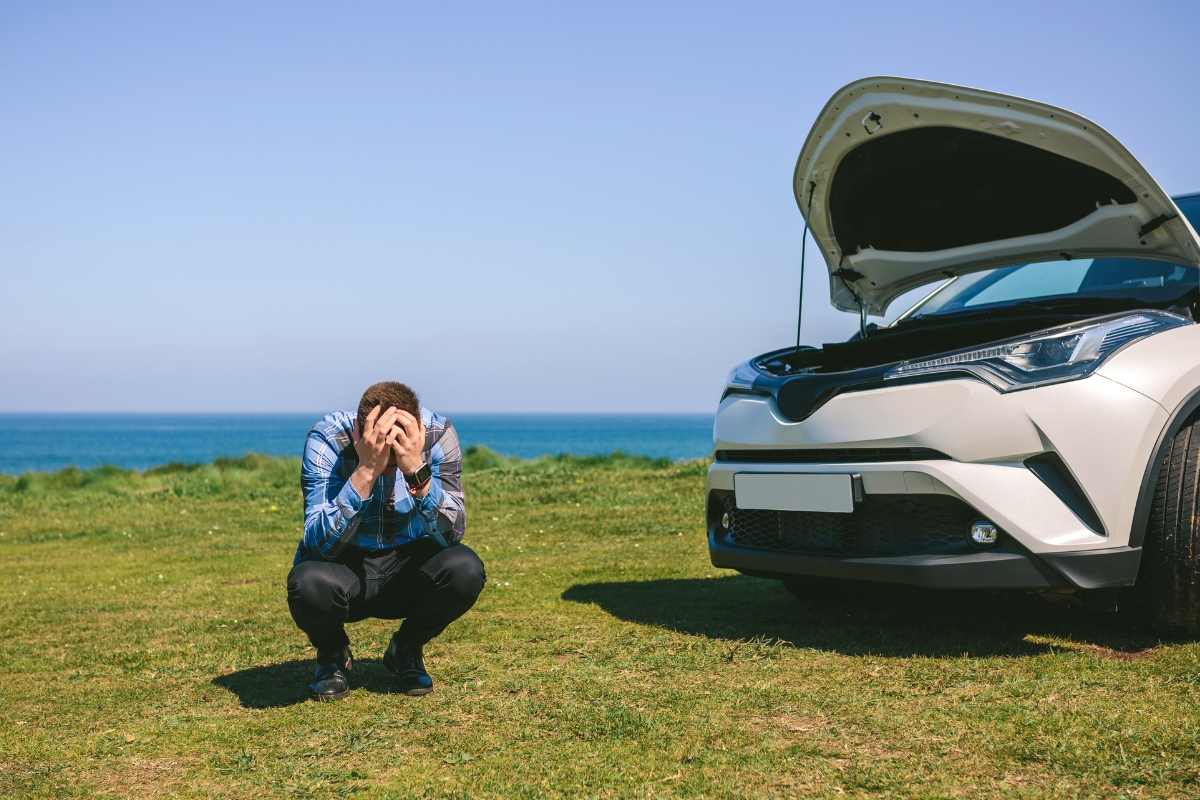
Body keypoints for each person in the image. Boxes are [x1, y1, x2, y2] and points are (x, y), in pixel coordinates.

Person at [286, 381, 485, 700]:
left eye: (394, 460)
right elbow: (318, 545)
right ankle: (333, 655)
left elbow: (453, 534)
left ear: (419, 430)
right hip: (345, 565)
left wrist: (416, 472)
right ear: (357, 430)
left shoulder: (439, 435)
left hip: (410, 565)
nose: (389, 470)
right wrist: (366, 470)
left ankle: (407, 648)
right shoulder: (327, 438)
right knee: (307, 583)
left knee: (465, 570)